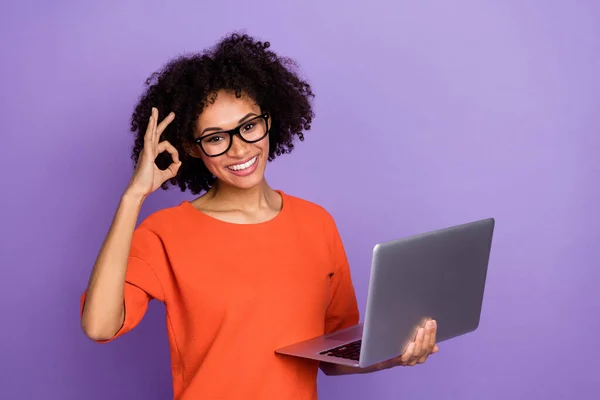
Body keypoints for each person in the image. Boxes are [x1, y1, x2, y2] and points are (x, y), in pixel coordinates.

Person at [80, 32, 439, 400]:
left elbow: (332, 357)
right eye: (216, 138)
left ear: (269, 120)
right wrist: (133, 196)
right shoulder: (164, 233)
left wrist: (394, 354)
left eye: (249, 126)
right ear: (191, 146)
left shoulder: (317, 224)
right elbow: (99, 326)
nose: (239, 149)